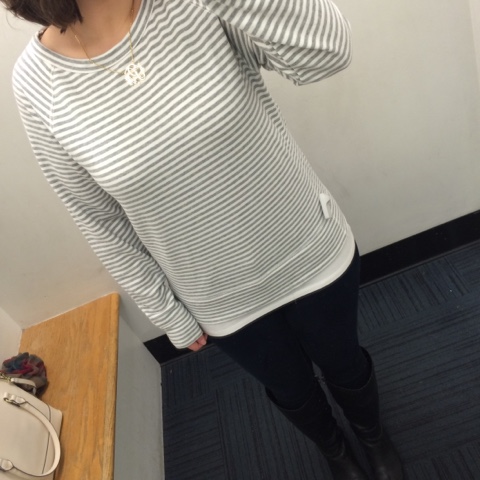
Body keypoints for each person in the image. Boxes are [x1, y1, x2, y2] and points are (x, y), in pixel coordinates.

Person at [3, 0, 403, 478]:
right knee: (292, 388)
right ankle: (335, 451)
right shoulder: (35, 81)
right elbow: (99, 219)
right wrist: (167, 311)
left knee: (344, 362)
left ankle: (373, 435)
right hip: (218, 294)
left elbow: (328, 53)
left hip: (307, 247)